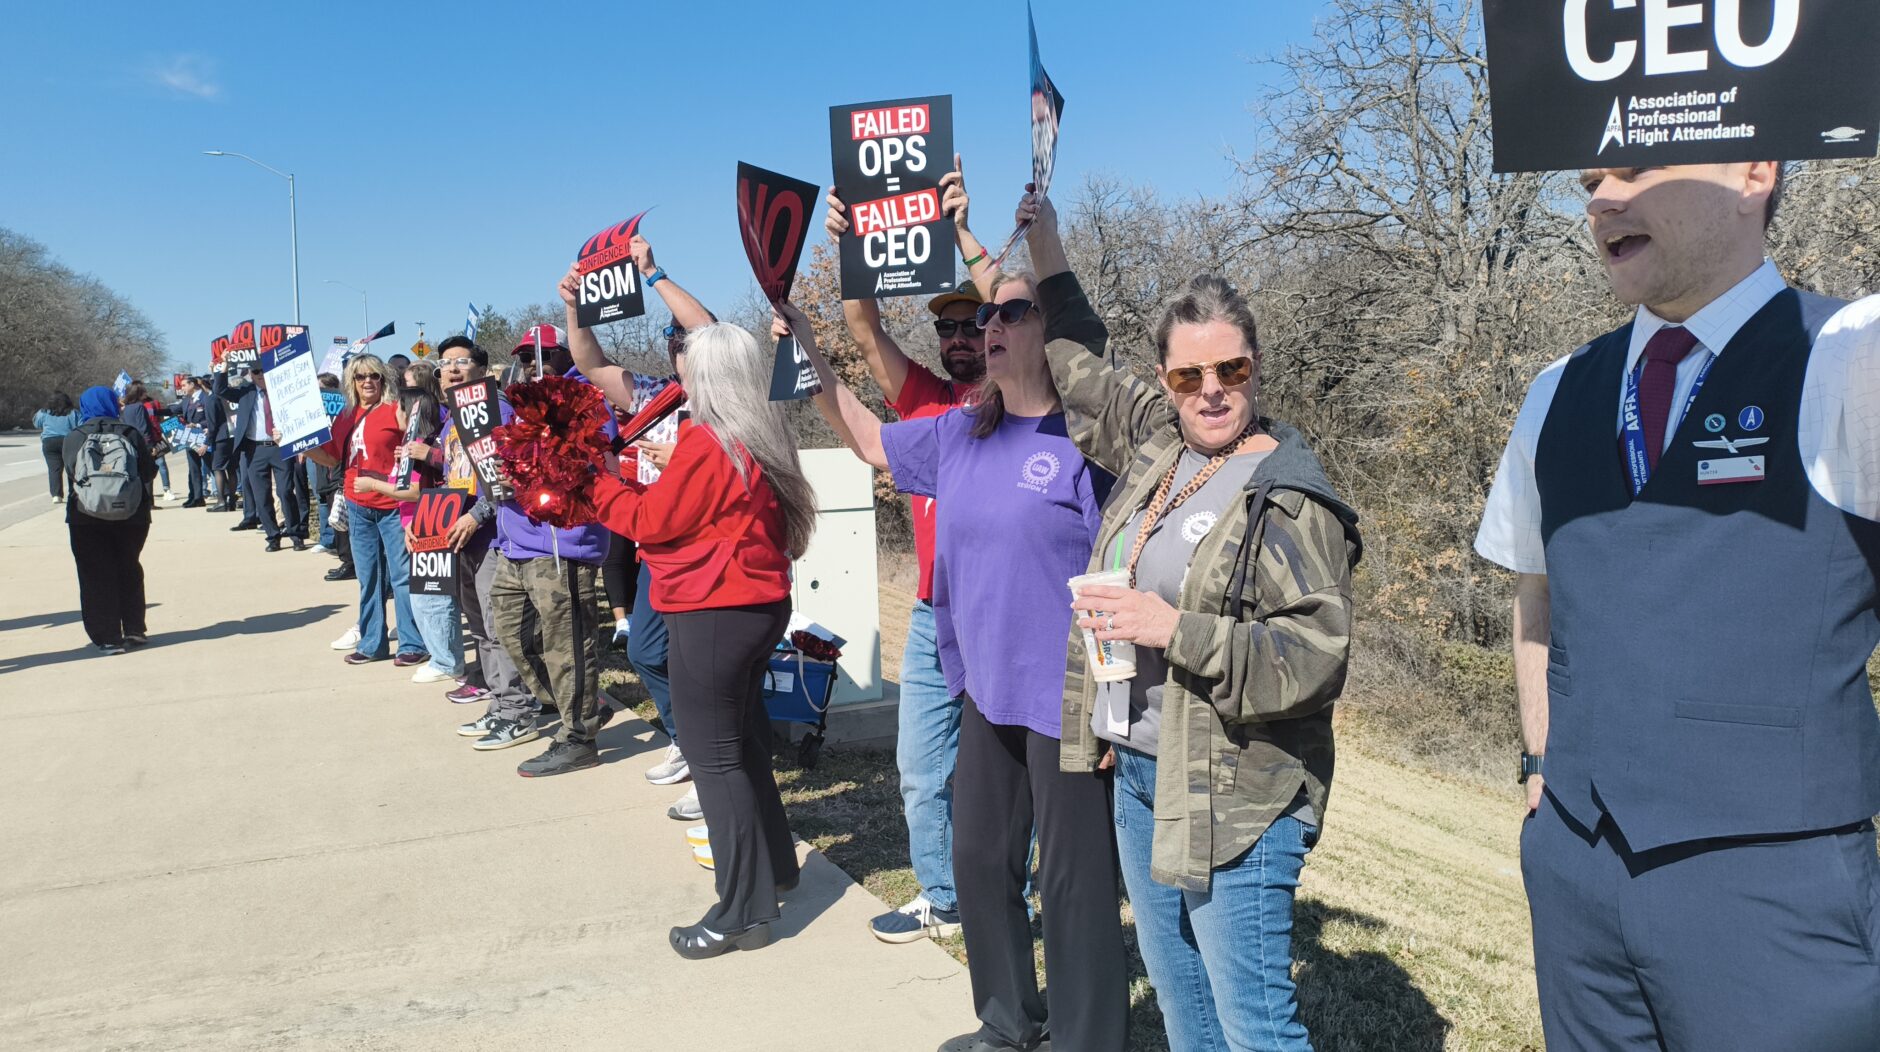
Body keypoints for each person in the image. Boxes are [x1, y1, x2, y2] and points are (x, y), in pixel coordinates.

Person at [1475, 161, 1880, 1051]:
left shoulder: (1854, 355)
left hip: (1776, 892)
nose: (1600, 200)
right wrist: (1541, 759)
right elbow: (1535, 586)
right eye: (1591, 176)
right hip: (1576, 866)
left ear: (1754, 170)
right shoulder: (1556, 390)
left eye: (1634, 167)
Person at [1021, 193, 1361, 1051]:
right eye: (1187, 377)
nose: (1211, 393)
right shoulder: (1162, 449)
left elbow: (1314, 655)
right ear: (1167, 382)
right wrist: (1040, 242)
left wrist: (1170, 630)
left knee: (1254, 1027)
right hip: (1142, 774)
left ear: (1255, 367)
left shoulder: (1284, 495)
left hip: (1235, 795)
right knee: (1185, 1013)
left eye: (1231, 372)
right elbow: (1081, 361)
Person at [796, 263, 1127, 1051]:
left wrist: (1118, 705)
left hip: (1070, 703)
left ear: (1051, 330)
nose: (993, 328)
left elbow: (1123, 572)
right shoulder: (959, 431)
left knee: (1073, 885)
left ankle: (1089, 1041)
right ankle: (1008, 1023)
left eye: (1013, 312)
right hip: (984, 691)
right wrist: (805, 350)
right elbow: (872, 443)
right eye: (988, 318)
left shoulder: (1087, 443)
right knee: (978, 861)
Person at [587, 319, 817, 959]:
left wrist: (599, 479)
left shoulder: (708, 443)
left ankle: (741, 911)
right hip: (752, 604)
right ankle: (774, 869)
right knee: (742, 747)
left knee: (716, 761)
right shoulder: (752, 436)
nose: (677, 371)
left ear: (709, 374)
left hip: (713, 609)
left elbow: (648, 523)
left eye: (685, 362)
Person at [825, 159, 994, 944]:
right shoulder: (925, 398)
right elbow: (864, 328)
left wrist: (963, 232)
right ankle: (944, 897)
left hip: (1004, 617)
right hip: (933, 615)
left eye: (974, 325)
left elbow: (1030, 314)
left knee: (1010, 772)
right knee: (922, 767)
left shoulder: (1031, 395)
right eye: (948, 328)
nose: (960, 339)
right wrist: (855, 250)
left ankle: (1009, 891)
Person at [561, 233, 717, 815]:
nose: (680, 346)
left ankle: (712, 768)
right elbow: (591, 363)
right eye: (672, 340)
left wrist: (653, 274)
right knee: (648, 650)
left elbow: (707, 331)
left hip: (711, 556)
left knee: (702, 667)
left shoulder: (728, 401)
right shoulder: (656, 398)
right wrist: (576, 306)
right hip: (657, 549)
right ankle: (688, 741)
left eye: (686, 339)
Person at [477, 322, 616, 775]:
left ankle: (578, 737)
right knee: (515, 638)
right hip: (513, 542)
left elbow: (588, 463)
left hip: (561, 545)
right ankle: (583, 704)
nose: (533, 362)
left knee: (567, 646)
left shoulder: (587, 399)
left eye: (544, 354)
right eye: (525, 356)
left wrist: (523, 470)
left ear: (568, 356)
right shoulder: (517, 405)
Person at [425, 337, 537, 715]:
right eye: (445, 364)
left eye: (461, 361)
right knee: (478, 628)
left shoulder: (497, 411)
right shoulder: (450, 422)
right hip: (459, 539)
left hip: (493, 537)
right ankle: (498, 702)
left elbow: (508, 476)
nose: (452, 370)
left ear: (481, 369)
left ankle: (516, 709)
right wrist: (426, 526)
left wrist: (476, 517)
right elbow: (451, 480)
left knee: (498, 627)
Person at [304, 353, 427, 667]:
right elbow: (332, 459)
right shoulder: (345, 416)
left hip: (392, 503)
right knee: (368, 577)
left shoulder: (395, 410)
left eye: (374, 375)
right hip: (357, 505)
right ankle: (373, 643)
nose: (368, 382)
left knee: (401, 576)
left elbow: (417, 447)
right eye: (361, 377)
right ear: (352, 382)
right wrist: (304, 445)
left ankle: (412, 643)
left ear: (383, 379)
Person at [353, 372, 462, 686]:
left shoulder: (423, 445)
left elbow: (417, 491)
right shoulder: (410, 446)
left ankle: (445, 659)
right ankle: (442, 656)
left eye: (400, 409)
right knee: (424, 597)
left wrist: (373, 484)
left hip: (432, 520)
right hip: (415, 523)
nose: (395, 414)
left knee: (434, 598)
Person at [62, 386, 157, 654]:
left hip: (86, 515)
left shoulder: (76, 436)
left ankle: (108, 638)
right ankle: (135, 629)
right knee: (128, 567)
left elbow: (71, 472)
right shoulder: (130, 432)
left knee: (95, 574)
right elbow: (147, 473)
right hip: (132, 514)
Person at [214, 363, 307, 551]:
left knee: (285, 491)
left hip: (281, 447)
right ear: (250, 373)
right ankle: (272, 536)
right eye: (256, 371)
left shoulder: (283, 390)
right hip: (254, 450)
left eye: (264, 371)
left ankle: (296, 534)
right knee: (261, 495)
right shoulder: (245, 391)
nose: (260, 375)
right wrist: (222, 369)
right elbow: (220, 389)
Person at [34, 392, 80, 503]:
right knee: (72, 468)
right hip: (68, 441)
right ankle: (73, 493)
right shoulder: (73, 413)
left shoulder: (44, 412)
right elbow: (80, 425)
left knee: (54, 469)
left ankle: (56, 495)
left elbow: (36, 423)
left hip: (49, 442)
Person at [177, 377, 212, 507]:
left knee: (212, 467)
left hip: (205, 437)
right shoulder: (186, 400)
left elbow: (212, 418)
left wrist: (198, 425)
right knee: (193, 469)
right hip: (191, 439)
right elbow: (174, 410)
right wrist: (151, 411)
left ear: (192, 384)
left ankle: (225, 495)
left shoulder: (206, 397)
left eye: (184, 385)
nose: (182, 388)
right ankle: (197, 497)